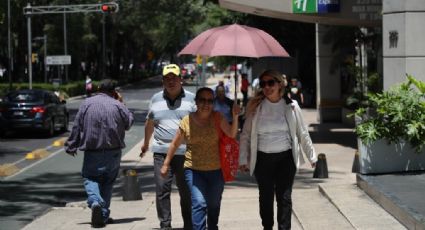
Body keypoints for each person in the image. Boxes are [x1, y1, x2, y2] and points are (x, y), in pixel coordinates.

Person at [239, 70, 317, 230]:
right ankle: (267, 226)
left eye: (270, 83)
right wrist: (243, 159)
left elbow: (302, 132)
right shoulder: (256, 107)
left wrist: (312, 156)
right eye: (263, 84)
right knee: (266, 199)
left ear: (279, 84)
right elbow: (245, 135)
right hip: (262, 159)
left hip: (285, 159)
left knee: (285, 198)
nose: (266, 87)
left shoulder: (291, 106)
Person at [160, 87, 240, 230]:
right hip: (193, 170)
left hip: (216, 171)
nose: (206, 103)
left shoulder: (218, 118)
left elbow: (232, 134)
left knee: (214, 204)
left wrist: (235, 117)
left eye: (210, 100)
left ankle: (213, 226)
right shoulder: (187, 121)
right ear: (196, 101)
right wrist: (166, 164)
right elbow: (175, 143)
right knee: (199, 203)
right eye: (202, 99)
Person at [65, 79, 134, 228]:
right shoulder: (117, 105)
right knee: (108, 182)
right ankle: (102, 215)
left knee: (90, 178)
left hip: (92, 151)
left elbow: (77, 126)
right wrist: (121, 103)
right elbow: (129, 123)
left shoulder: (86, 103)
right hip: (113, 153)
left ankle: (95, 201)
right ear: (114, 92)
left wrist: (72, 145)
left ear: (98, 89)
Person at [140, 64, 195, 230]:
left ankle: (189, 224)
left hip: (185, 153)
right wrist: (146, 143)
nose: (171, 81)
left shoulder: (192, 99)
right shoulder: (156, 98)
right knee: (162, 190)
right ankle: (165, 225)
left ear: (181, 79)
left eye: (174, 78)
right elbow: (150, 123)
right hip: (161, 152)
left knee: (186, 192)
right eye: (167, 79)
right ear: (163, 81)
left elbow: (200, 123)